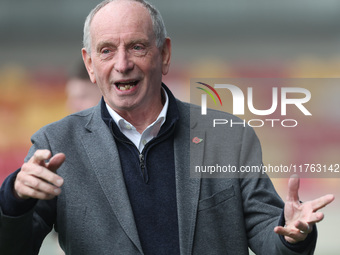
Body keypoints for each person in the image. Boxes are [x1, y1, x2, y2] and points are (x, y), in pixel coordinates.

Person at [0, 0, 334, 254]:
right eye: (106, 51)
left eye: (137, 47)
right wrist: (14, 198)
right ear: (90, 64)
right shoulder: (56, 143)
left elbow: (269, 235)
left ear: (165, 54)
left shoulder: (230, 137)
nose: (122, 64)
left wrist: (292, 232)